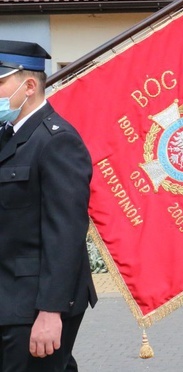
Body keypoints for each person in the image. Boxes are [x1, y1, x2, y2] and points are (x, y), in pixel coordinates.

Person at [0, 40, 97, 371]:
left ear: (29, 86)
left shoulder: (57, 141)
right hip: (10, 297)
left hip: (34, 305)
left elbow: (66, 234)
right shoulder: (8, 136)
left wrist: (51, 312)